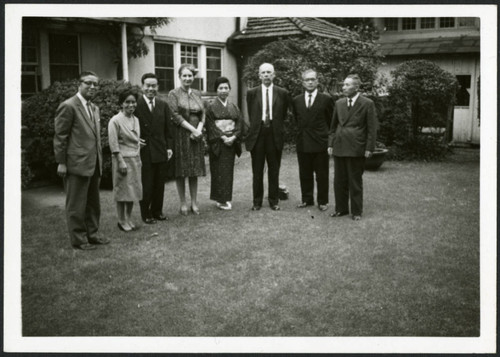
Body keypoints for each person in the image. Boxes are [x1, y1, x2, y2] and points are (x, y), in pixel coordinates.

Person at [53, 71, 109, 250]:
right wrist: (61, 162)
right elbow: (60, 136)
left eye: (95, 84)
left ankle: (92, 235)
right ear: (79, 84)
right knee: (76, 204)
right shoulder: (68, 106)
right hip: (75, 165)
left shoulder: (94, 108)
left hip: (94, 164)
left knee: (93, 203)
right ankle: (79, 240)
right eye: (88, 83)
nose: (92, 87)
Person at [328, 74, 377, 221]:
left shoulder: (367, 103)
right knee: (339, 181)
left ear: (356, 87)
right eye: (343, 85)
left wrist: (369, 148)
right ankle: (340, 209)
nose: (343, 87)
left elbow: (372, 128)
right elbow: (332, 127)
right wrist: (330, 143)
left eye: (347, 85)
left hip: (357, 147)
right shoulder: (339, 103)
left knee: (354, 181)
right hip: (340, 146)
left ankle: (356, 212)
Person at [245, 63, 290, 211]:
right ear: (259, 75)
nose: (266, 75)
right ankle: (257, 202)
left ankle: (273, 201)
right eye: (263, 72)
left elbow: (282, 114)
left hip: (274, 134)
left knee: (274, 169)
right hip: (258, 135)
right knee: (257, 170)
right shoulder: (252, 92)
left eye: (269, 72)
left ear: (274, 75)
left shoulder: (282, 93)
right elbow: (252, 114)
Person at [292, 69, 334, 211]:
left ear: (317, 81)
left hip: (320, 143)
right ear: (303, 83)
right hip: (303, 142)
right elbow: (297, 120)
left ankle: (322, 201)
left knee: (322, 174)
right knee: (304, 173)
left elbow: (331, 122)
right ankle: (306, 199)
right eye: (307, 80)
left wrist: (328, 141)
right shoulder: (296, 100)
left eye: (312, 79)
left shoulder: (326, 99)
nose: (310, 82)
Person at [167, 64, 206, 215]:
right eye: (184, 75)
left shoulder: (197, 93)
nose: (187, 78)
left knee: (194, 171)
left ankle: (194, 203)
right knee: (181, 171)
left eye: (190, 75)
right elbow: (175, 115)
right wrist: (192, 129)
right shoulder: (173, 93)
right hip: (182, 136)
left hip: (196, 137)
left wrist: (199, 130)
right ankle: (183, 203)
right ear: (179, 76)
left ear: (193, 77)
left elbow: (203, 113)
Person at [135, 73, 173, 224]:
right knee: (147, 183)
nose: (150, 89)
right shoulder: (136, 104)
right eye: (147, 86)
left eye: (153, 86)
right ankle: (146, 213)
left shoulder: (163, 105)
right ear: (142, 86)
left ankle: (158, 211)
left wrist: (169, 147)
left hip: (160, 149)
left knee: (159, 183)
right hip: (144, 150)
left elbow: (168, 130)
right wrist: (135, 140)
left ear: (158, 87)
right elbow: (129, 126)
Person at [108, 89, 144, 232]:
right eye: (127, 102)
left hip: (135, 160)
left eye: (133, 102)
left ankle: (128, 218)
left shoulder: (136, 119)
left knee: (133, 192)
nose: (131, 105)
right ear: (121, 104)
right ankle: (121, 220)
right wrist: (120, 161)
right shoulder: (115, 120)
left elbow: (135, 140)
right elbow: (113, 143)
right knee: (122, 191)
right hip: (122, 160)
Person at [205, 77, 243, 210]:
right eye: (220, 88)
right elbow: (210, 125)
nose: (223, 90)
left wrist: (233, 137)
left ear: (229, 89)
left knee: (228, 171)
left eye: (226, 88)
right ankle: (220, 199)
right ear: (216, 90)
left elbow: (239, 124)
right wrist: (222, 137)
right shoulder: (210, 107)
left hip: (230, 143)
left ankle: (225, 198)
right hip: (218, 143)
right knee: (218, 171)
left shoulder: (234, 107)